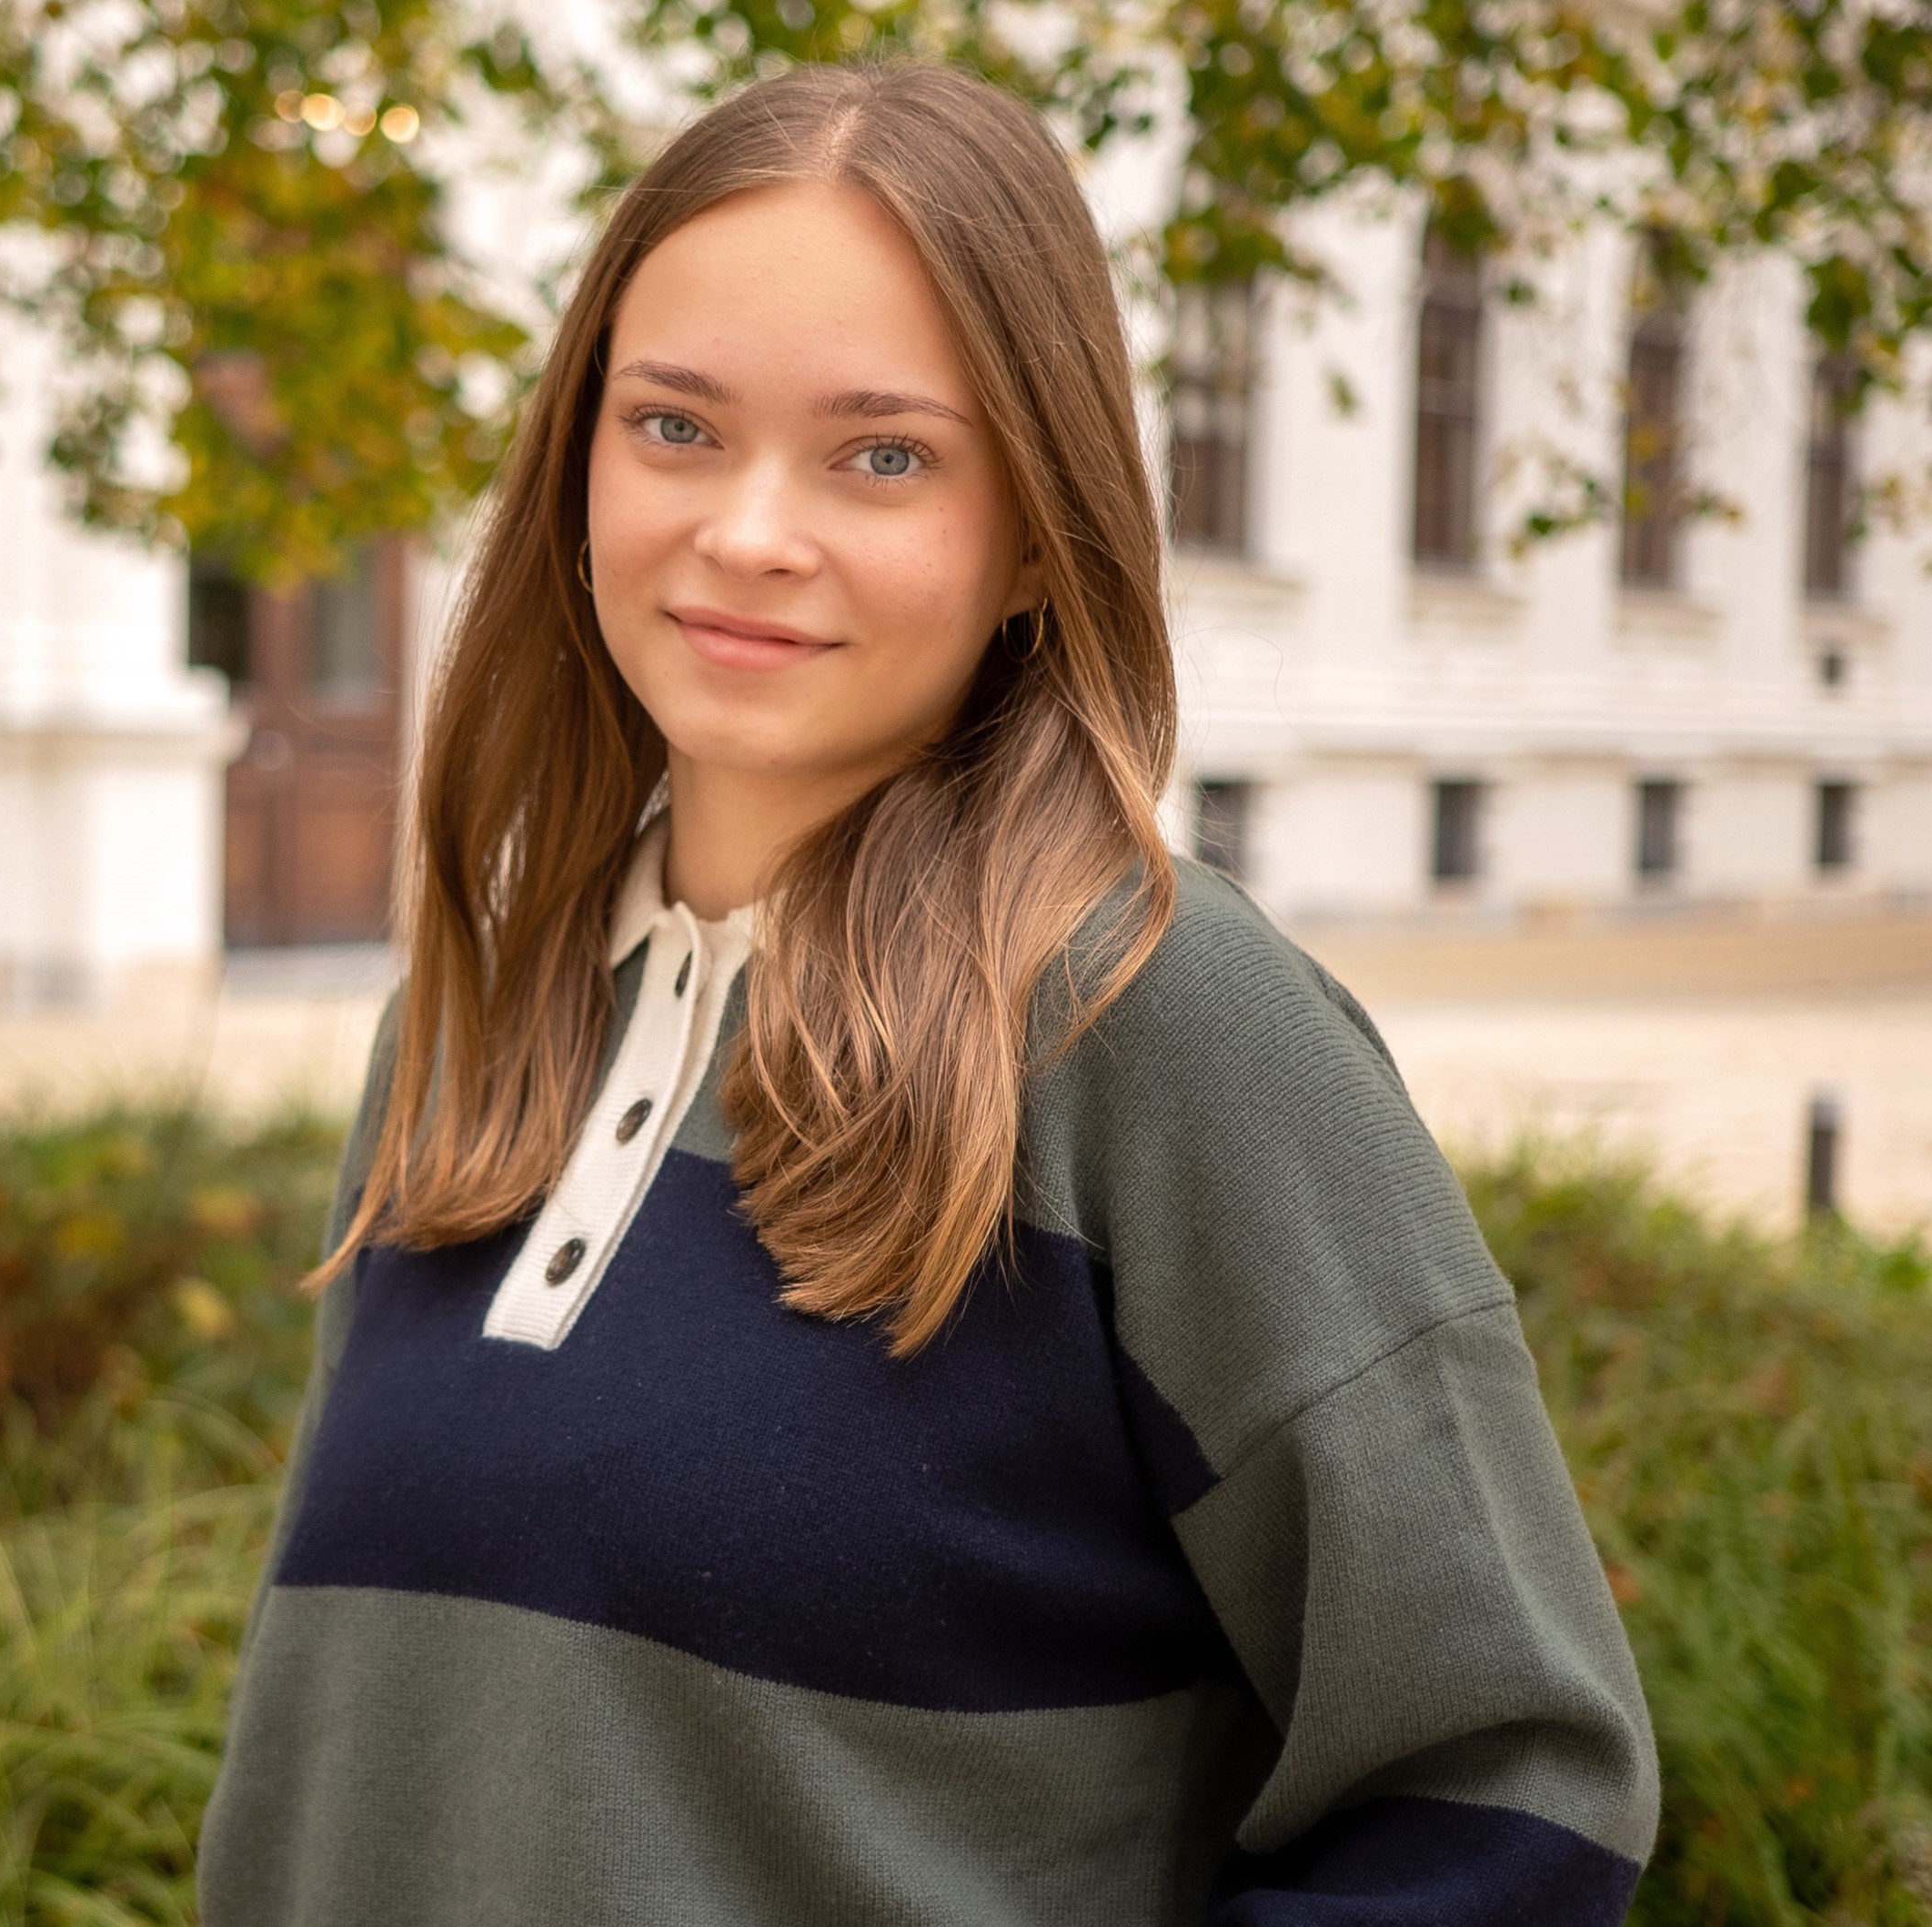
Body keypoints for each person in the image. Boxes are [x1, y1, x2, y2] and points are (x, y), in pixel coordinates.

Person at [199, 59, 1656, 1926]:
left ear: (1036, 532)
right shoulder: (478, 1012)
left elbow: (1508, 1789)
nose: (747, 532)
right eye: (674, 427)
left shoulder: (1162, 1023)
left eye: (881, 454)